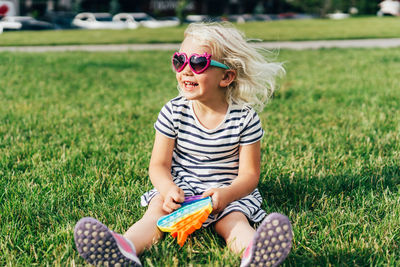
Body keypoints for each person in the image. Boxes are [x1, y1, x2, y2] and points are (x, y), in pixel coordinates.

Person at [74, 22, 293, 267]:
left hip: (227, 191)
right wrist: (168, 190)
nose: (186, 70)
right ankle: (123, 249)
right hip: (182, 188)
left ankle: (255, 254)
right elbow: (158, 165)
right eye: (180, 61)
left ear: (226, 76)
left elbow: (250, 175)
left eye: (199, 63)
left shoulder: (245, 118)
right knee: (155, 213)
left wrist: (227, 194)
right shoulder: (173, 111)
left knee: (233, 222)